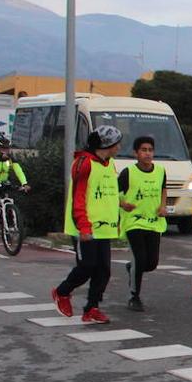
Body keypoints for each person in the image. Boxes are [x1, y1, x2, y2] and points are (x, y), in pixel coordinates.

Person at [52, 125, 123, 323]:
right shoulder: (84, 164)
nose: (119, 147)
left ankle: (91, 308)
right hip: (85, 227)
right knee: (87, 266)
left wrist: (120, 207)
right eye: (117, 143)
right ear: (107, 144)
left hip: (104, 228)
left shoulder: (110, 164)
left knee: (104, 271)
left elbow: (107, 192)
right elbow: (78, 198)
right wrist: (84, 226)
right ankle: (62, 292)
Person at [117, 135, 171, 311]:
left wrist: (163, 206)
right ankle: (134, 297)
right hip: (134, 221)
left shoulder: (160, 171)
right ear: (136, 153)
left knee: (151, 263)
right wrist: (123, 203)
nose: (147, 154)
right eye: (143, 150)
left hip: (154, 222)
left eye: (150, 150)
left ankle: (132, 268)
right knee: (140, 258)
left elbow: (163, 189)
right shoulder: (128, 173)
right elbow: (113, 194)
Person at [0, 133, 30, 215]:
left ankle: (7, 218)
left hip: (2, 183)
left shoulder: (10, 159)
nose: (5, 150)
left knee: (6, 198)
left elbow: (18, 171)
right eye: (3, 148)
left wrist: (24, 183)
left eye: (7, 148)